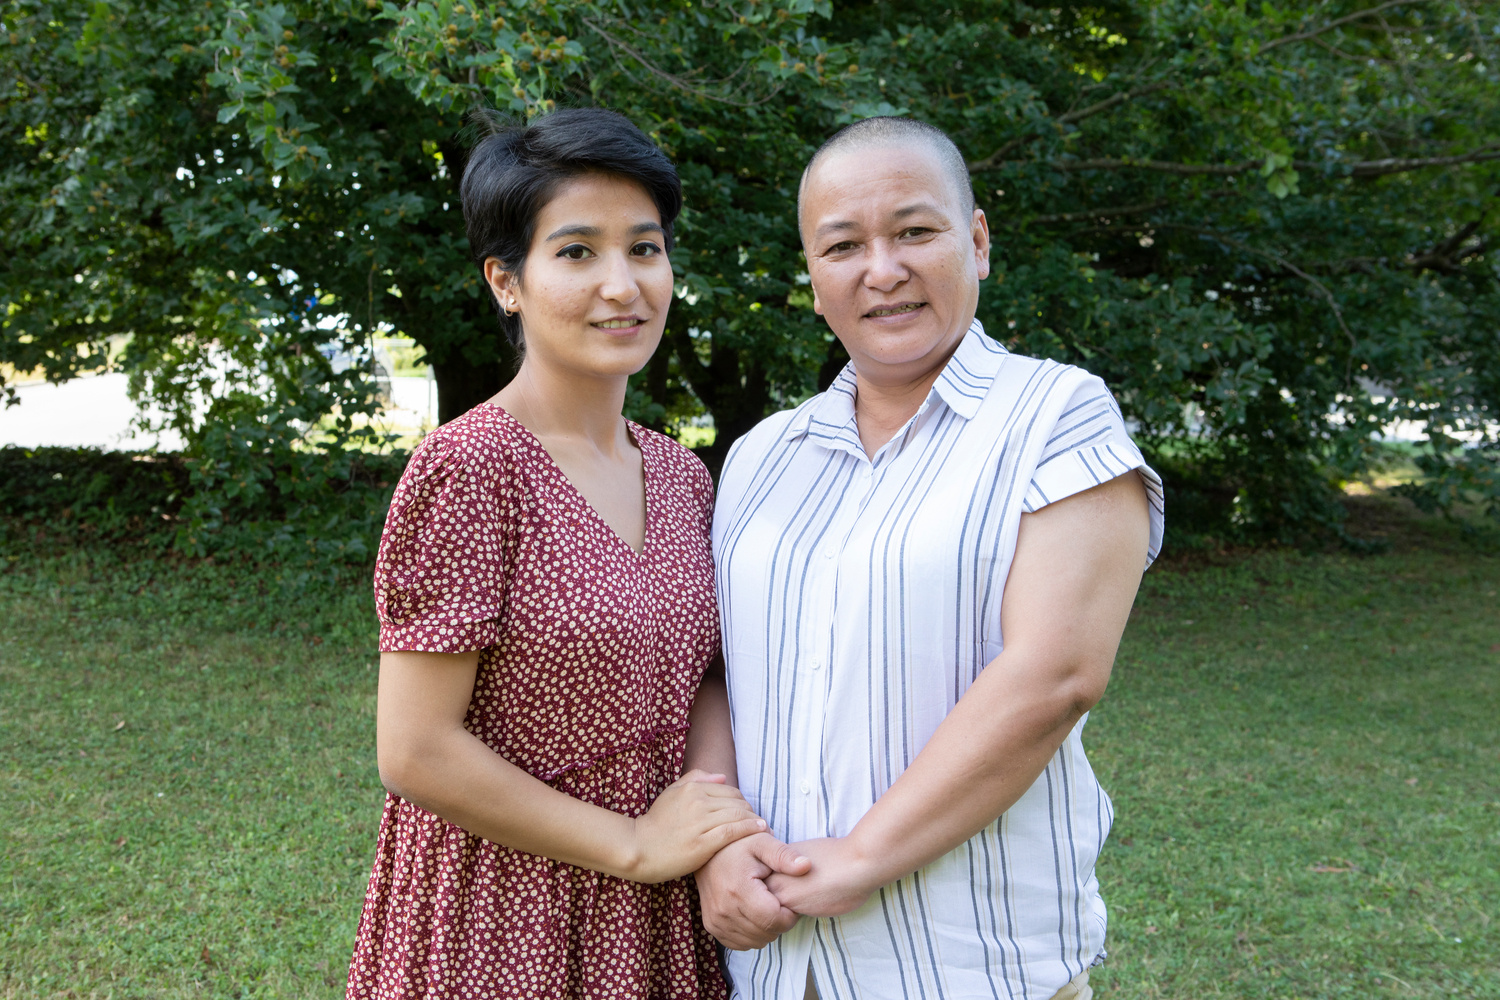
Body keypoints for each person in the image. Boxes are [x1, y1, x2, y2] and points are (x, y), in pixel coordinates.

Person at [692, 117, 1166, 1000]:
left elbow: (1054, 675)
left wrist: (862, 859)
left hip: (969, 962)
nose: (883, 269)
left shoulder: (1055, 416)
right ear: (813, 275)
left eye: (915, 230)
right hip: (777, 966)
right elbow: (717, 672)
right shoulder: (762, 455)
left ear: (976, 242)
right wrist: (716, 840)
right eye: (844, 245)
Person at [344, 108, 777, 1000]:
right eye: (577, 252)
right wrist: (630, 845)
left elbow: (706, 676)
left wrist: (706, 821)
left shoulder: (681, 473)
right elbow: (416, 749)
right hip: (504, 910)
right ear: (507, 280)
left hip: (654, 911)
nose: (622, 285)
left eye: (645, 249)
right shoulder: (471, 469)